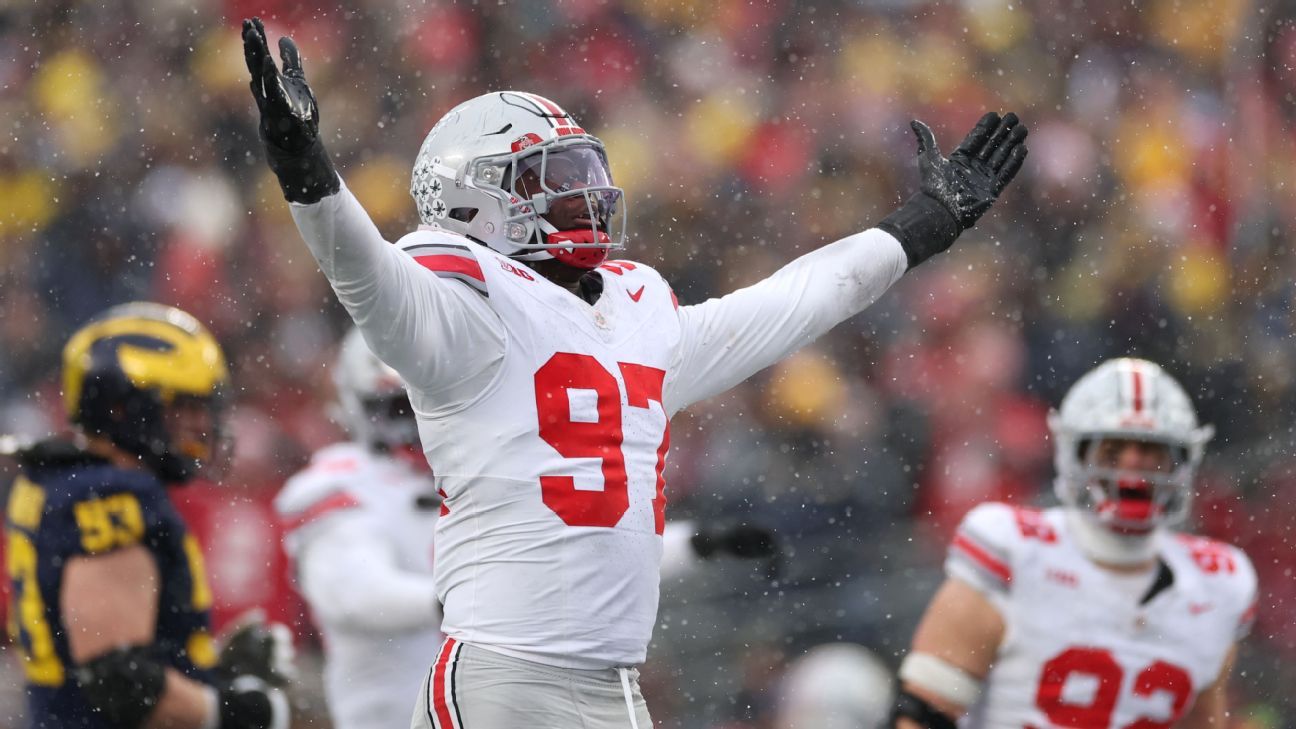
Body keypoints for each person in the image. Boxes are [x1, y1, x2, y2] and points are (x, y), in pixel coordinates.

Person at [240, 17, 1028, 728]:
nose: (579, 192)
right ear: (471, 203)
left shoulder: (634, 313)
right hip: (505, 672)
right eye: (546, 179)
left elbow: (792, 302)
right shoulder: (458, 312)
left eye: (578, 170)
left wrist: (921, 225)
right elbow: (362, 270)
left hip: (613, 680)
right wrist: (307, 171)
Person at [274, 328, 783, 729]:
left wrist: (698, 544)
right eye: (405, 408)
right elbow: (354, 596)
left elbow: (584, 557)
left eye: (434, 402)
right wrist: (463, 600)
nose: (422, 423)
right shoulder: (341, 484)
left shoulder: (491, 468)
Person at [892, 358, 1258, 729]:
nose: (1133, 466)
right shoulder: (1012, 550)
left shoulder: (1217, 584)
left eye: (1153, 451)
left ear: (1183, 461)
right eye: (1113, 450)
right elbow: (924, 713)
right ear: (1075, 454)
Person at [3, 302, 293, 729]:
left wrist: (209, 668)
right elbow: (121, 682)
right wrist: (239, 712)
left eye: (203, 408)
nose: (201, 426)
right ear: (120, 408)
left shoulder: (60, 479)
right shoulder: (110, 497)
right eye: (183, 407)